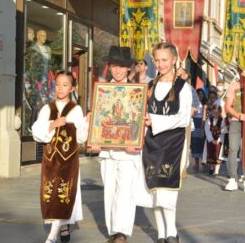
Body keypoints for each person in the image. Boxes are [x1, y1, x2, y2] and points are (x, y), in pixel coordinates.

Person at [137, 42, 192, 243]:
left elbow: (183, 118)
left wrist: (155, 121)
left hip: (173, 145)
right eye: (157, 60)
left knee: (167, 189)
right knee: (154, 189)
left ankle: (172, 232)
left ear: (174, 59)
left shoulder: (183, 87)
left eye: (164, 60)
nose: (160, 64)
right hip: (151, 142)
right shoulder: (150, 86)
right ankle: (161, 234)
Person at [89, 46, 140, 243]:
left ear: (128, 68)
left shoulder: (138, 91)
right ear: (109, 67)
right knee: (109, 189)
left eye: (122, 67)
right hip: (107, 150)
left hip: (128, 152)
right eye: (114, 67)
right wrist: (93, 141)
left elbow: (139, 118)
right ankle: (113, 230)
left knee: (125, 190)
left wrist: (134, 140)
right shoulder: (102, 90)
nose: (117, 71)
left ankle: (122, 232)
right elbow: (95, 117)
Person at [31, 71, 89, 243]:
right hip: (50, 159)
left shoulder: (76, 109)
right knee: (51, 193)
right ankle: (63, 225)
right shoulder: (47, 109)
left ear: (72, 88)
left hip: (68, 160)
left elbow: (80, 137)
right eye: (58, 84)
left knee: (64, 192)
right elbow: (36, 132)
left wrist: (86, 123)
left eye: (65, 85)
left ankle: (52, 235)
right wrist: (53, 124)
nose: (61, 88)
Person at [205, 104, 227, 177]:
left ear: (220, 112)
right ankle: (211, 168)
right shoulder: (209, 119)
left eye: (217, 113)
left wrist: (218, 139)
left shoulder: (222, 120)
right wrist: (211, 139)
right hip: (211, 140)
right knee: (211, 154)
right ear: (211, 112)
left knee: (218, 155)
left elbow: (224, 129)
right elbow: (207, 130)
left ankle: (216, 171)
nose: (216, 114)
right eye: (214, 113)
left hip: (219, 140)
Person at [191, 89, 207, 172]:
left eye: (201, 94)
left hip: (202, 123)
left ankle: (204, 162)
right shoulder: (192, 103)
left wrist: (202, 127)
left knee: (202, 143)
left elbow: (204, 116)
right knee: (195, 144)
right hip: (194, 123)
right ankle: (196, 163)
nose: (200, 96)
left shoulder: (205, 104)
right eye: (198, 94)